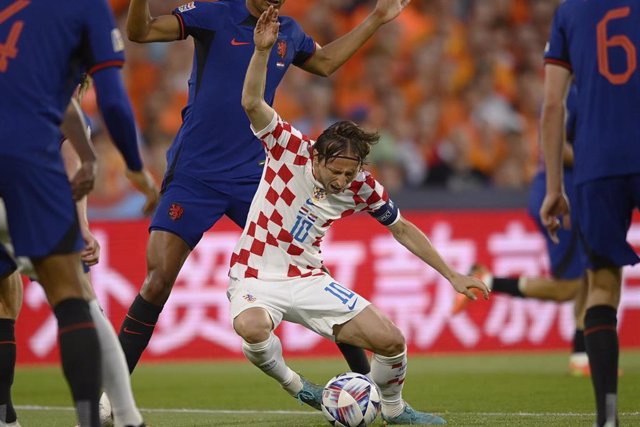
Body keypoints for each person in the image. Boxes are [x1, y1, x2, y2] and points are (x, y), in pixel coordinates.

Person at [118, 0, 409, 394]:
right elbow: (141, 32)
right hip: (195, 174)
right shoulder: (213, 14)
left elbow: (324, 64)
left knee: (305, 270)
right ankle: (110, 396)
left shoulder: (288, 31)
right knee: (157, 281)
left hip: (254, 177)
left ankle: (360, 387)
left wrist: (376, 17)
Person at [230, 7, 489, 425]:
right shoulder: (288, 146)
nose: (343, 181)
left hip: (308, 277)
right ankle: (297, 386)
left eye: (350, 173)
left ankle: (395, 410)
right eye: (337, 172)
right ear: (318, 156)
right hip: (255, 273)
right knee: (253, 328)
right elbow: (250, 101)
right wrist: (260, 52)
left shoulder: (362, 185)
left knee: (391, 340)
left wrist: (452, 275)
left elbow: (401, 229)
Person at [0, 1, 158, 425]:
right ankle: (110, 417)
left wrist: (88, 158)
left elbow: (67, 114)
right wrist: (136, 168)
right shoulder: (83, 8)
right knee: (75, 298)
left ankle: (4, 417)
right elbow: (113, 101)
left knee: (3, 296)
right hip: (22, 156)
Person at [540, 1, 640, 426]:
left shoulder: (569, 12)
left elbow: (552, 107)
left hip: (596, 165)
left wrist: (553, 189)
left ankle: (608, 418)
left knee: (600, 288)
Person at [452, 84, 591, 377]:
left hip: (577, 194)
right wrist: (600, 164)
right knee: (569, 287)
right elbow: (555, 144)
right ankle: (486, 280)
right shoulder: (567, 95)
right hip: (560, 196)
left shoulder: (583, 90)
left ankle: (582, 355)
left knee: (588, 276)